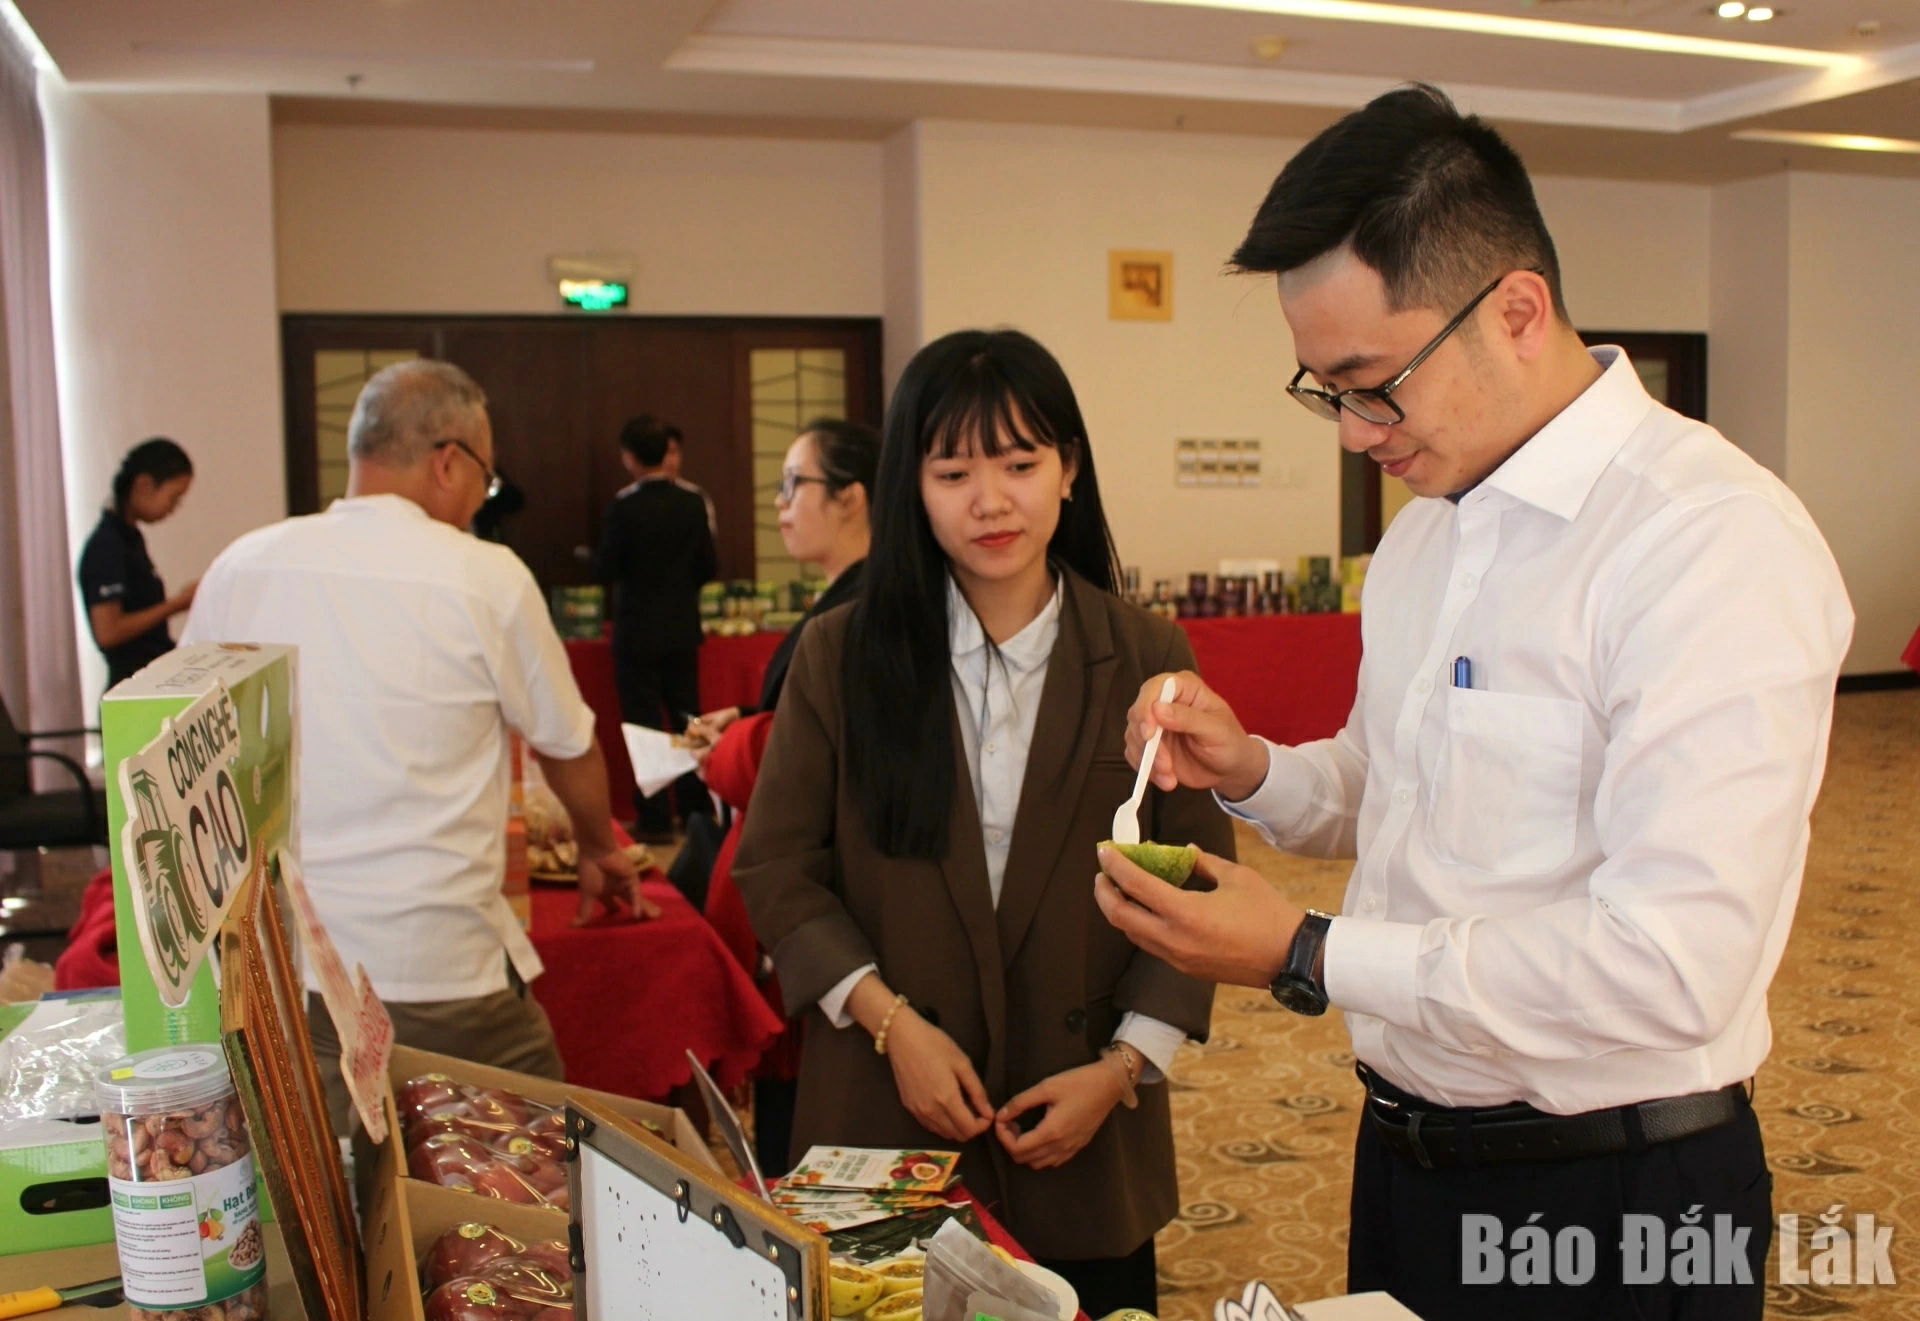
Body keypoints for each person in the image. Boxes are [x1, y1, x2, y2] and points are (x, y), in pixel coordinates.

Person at [1095, 85, 1852, 1321]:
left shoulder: (1708, 543)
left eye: (1370, 382)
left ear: (1514, 310)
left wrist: (1301, 953)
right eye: (1321, 387)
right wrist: (1251, 769)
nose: (1349, 432)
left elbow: (1673, 965)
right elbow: (1395, 784)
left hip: (1622, 1191)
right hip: (1406, 1160)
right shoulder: (1429, 536)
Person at [734, 330, 1234, 1317]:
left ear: (1069, 471)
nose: (990, 499)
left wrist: (1125, 1068)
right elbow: (779, 868)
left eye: (1019, 463)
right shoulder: (842, 653)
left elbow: (1197, 882)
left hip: (1087, 1127)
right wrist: (891, 1024)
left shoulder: (1143, 650)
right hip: (885, 1122)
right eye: (954, 469)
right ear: (910, 487)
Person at [183, 360, 650, 1134]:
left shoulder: (242, 565)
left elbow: (189, 749)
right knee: (527, 1187)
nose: (479, 502)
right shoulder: (485, 575)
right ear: (448, 461)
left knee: (330, 1198)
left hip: (281, 969)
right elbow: (568, 744)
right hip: (439, 969)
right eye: (486, 480)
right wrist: (600, 847)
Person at [688, 417, 878, 1176]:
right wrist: (745, 723)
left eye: (794, 484)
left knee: (801, 1142)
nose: (779, 504)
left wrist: (728, 749)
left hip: (818, 902)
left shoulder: (860, 613)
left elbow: (796, 757)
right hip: (791, 895)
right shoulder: (839, 600)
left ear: (853, 497)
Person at [596, 416, 719, 842]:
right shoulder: (692, 502)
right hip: (682, 628)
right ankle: (694, 809)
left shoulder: (624, 507)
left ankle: (653, 818)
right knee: (688, 718)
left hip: (636, 633)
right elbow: (708, 566)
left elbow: (606, 568)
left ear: (629, 458)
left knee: (644, 725)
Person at [78, 438, 197, 688]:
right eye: (173, 498)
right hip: (130, 688)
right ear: (144, 485)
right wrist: (176, 604)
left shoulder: (130, 538)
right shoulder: (107, 546)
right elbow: (108, 632)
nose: (173, 509)